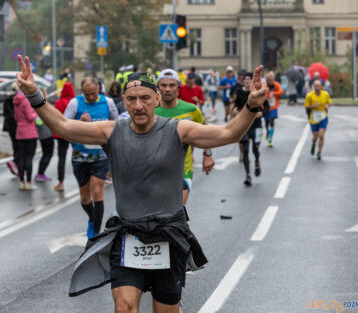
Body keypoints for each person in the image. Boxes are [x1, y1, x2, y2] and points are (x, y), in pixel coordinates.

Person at [16, 55, 267, 313]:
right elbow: (63, 126)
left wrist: (251, 105)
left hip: (168, 234)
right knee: (124, 307)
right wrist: (34, 94)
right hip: (128, 234)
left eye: (145, 98)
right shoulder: (111, 131)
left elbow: (229, 133)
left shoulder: (178, 130)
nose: (138, 105)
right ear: (124, 101)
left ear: (156, 99)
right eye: (132, 99)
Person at [63, 76, 118, 238]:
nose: (91, 97)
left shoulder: (108, 103)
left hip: (100, 155)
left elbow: (116, 125)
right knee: (85, 198)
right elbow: (64, 127)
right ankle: (92, 219)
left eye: (93, 93)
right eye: (87, 95)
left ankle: (95, 234)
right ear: (82, 92)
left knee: (97, 190)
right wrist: (80, 123)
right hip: (80, 156)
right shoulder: (75, 103)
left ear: (99, 89)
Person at [155, 69, 215, 205]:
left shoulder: (191, 110)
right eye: (163, 85)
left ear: (178, 87)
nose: (167, 89)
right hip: (155, 172)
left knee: (177, 211)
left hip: (183, 171)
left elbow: (206, 131)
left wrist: (208, 154)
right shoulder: (150, 111)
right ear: (158, 87)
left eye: (172, 85)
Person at [233, 72, 269, 186]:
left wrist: (261, 113)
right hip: (245, 125)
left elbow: (266, 105)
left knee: (255, 149)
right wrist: (235, 110)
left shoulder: (256, 93)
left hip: (256, 125)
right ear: (243, 81)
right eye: (246, 80)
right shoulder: (239, 92)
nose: (247, 81)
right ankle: (248, 175)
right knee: (246, 150)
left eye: (249, 79)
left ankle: (257, 162)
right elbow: (236, 104)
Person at [13, 84, 38, 191]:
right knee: (29, 158)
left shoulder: (16, 101)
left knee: (21, 158)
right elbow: (30, 117)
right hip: (30, 133)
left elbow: (15, 117)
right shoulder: (26, 101)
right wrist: (35, 113)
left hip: (19, 132)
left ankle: (21, 182)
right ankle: (29, 182)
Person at [52, 82, 76, 191]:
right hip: (73, 132)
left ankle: (61, 182)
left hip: (61, 134)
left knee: (61, 158)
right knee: (77, 155)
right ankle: (82, 179)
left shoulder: (58, 103)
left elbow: (55, 118)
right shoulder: (74, 103)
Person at [305, 80, 331, 160]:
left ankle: (319, 152)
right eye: (316, 86)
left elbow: (329, 102)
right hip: (314, 117)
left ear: (321, 86)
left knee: (321, 135)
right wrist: (313, 106)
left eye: (319, 85)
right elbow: (306, 106)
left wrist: (327, 105)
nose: (318, 87)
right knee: (315, 136)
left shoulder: (325, 94)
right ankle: (313, 144)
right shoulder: (309, 95)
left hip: (323, 116)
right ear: (314, 87)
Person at [264, 71, 284, 147]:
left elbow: (282, 91)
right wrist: (268, 94)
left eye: (272, 79)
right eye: (269, 80)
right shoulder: (264, 86)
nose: (271, 81)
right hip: (266, 107)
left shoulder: (276, 84)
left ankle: (270, 139)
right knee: (266, 122)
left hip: (274, 107)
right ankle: (267, 131)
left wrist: (274, 93)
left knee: (272, 122)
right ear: (266, 79)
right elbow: (262, 94)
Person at [3, 83, 19, 176]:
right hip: (16, 125)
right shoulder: (17, 99)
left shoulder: (7, 99)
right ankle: (15, 162)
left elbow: (5, 114)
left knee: (15, 145)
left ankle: (15, 163)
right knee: (20, 147)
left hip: (9, 126)